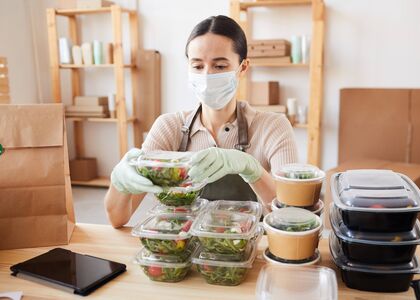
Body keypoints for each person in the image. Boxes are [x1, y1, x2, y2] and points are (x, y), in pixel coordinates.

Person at [104, 15, 298, 228]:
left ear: (242, 68)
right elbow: (117, 218)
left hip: (246, 250)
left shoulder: (273, 127)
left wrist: (254, 170)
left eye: (220, 66)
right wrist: (119, 183)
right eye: (197, 66)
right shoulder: (169, 127)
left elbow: (291, 215)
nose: (207, 76)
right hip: (182, 250)